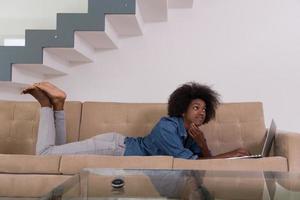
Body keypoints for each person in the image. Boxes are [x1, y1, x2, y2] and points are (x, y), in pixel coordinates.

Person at [22, 82, 250, 159]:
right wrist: (229, 154)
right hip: (115, 148)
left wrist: (202, 144)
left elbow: (203, 167)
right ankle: (45, 105)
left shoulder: (191, 134)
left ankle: (59, 105)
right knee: (44, 156)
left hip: (117, 147)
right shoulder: (167, 126)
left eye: (204, 109)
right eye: (196, 107)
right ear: (182, 109)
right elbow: (190, 163)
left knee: (55, 153)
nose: (201, 112)